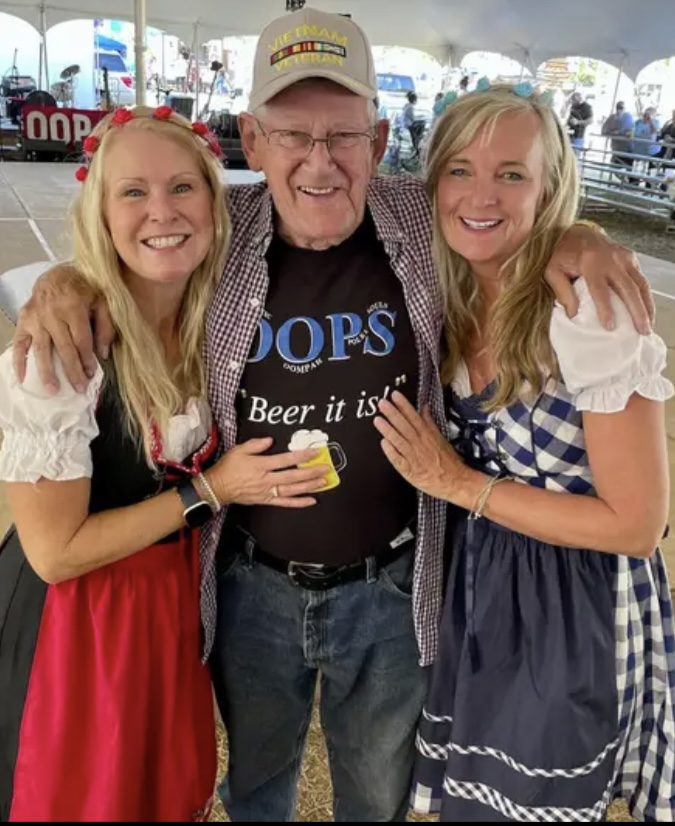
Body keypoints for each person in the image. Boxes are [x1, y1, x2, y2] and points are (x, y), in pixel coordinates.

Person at [3, 8, 656, 823]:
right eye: (291, 135)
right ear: (252, 138)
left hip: (391, 588)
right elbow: (138, 233)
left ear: (377, 142)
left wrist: (577, 234)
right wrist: (64, 282)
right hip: (250, 585)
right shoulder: (218, 228)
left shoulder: (424, 220)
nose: (319, 161)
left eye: (343, 136)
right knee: (256, 786)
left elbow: (504, 207)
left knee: (375, 795)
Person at [0, 105, 327, 822]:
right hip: (81, 626)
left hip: (174, 604)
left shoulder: (214, 318)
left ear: (215, 200)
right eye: (133, 192)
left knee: (164, 791)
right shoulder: (65, 351)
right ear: (100, 211)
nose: (162, 211)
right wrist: (211, 488)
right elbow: (55, 553)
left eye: (183, 186)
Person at [374, 82, 675, 822]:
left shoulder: (587, 311)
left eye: (511, 174)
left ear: (548, 188)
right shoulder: (450, 292)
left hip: (573, 605)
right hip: (480, 586)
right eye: (460, 169)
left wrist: (457, 483)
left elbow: (638, 525)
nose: (481, 195)